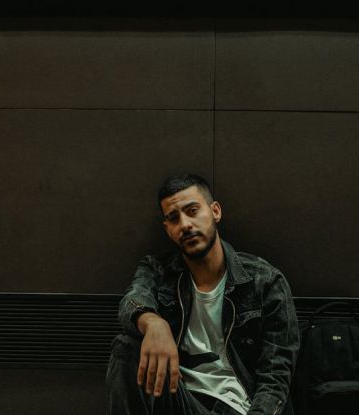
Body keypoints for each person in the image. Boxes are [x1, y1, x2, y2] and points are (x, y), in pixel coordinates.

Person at [106, 174, 299, 415]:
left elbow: (275, 377)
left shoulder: (265, 281)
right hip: (181, 401)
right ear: (167, 229)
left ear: (215, 212)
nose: (185, 224)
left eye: (192, 210)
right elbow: (132, 300)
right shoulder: (157, 270)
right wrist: (154, 323)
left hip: (239, 407)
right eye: (174, 218)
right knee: (127, 347)